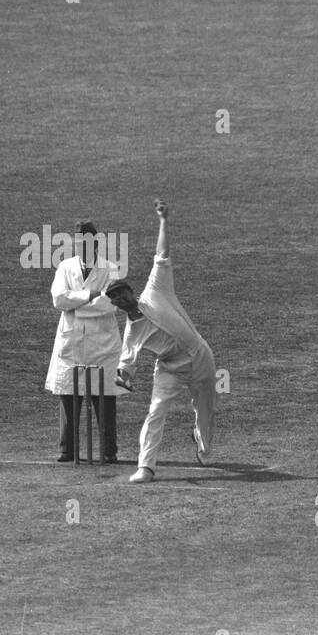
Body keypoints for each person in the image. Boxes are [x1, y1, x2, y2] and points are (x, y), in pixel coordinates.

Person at [108, 200, 217, 483]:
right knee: (155, 411)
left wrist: (163, 220)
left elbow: (162, 254)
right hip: (169, 368)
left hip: (200, 355)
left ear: (131, 291)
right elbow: (126, 365)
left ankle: (203, 444)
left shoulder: (155, 290)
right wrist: (123, 377)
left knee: (205, 409)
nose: (120, 299)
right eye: (115, 298)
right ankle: (146, 467)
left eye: (122, 293)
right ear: (116, 305)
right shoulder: (131, 332)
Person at [45, 219, 124, 463]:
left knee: (105, 399)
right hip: (72, 343)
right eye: (78, 241)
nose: (82, 245)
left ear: (96, 242)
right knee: (69, 396)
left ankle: (109, 452)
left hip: (103, 344)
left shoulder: (111, 269)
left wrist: (77, 305)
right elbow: (59, 300)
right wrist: (90, 295)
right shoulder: (65, 267)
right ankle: (67, 450)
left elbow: (110, 304)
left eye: (86, 241)